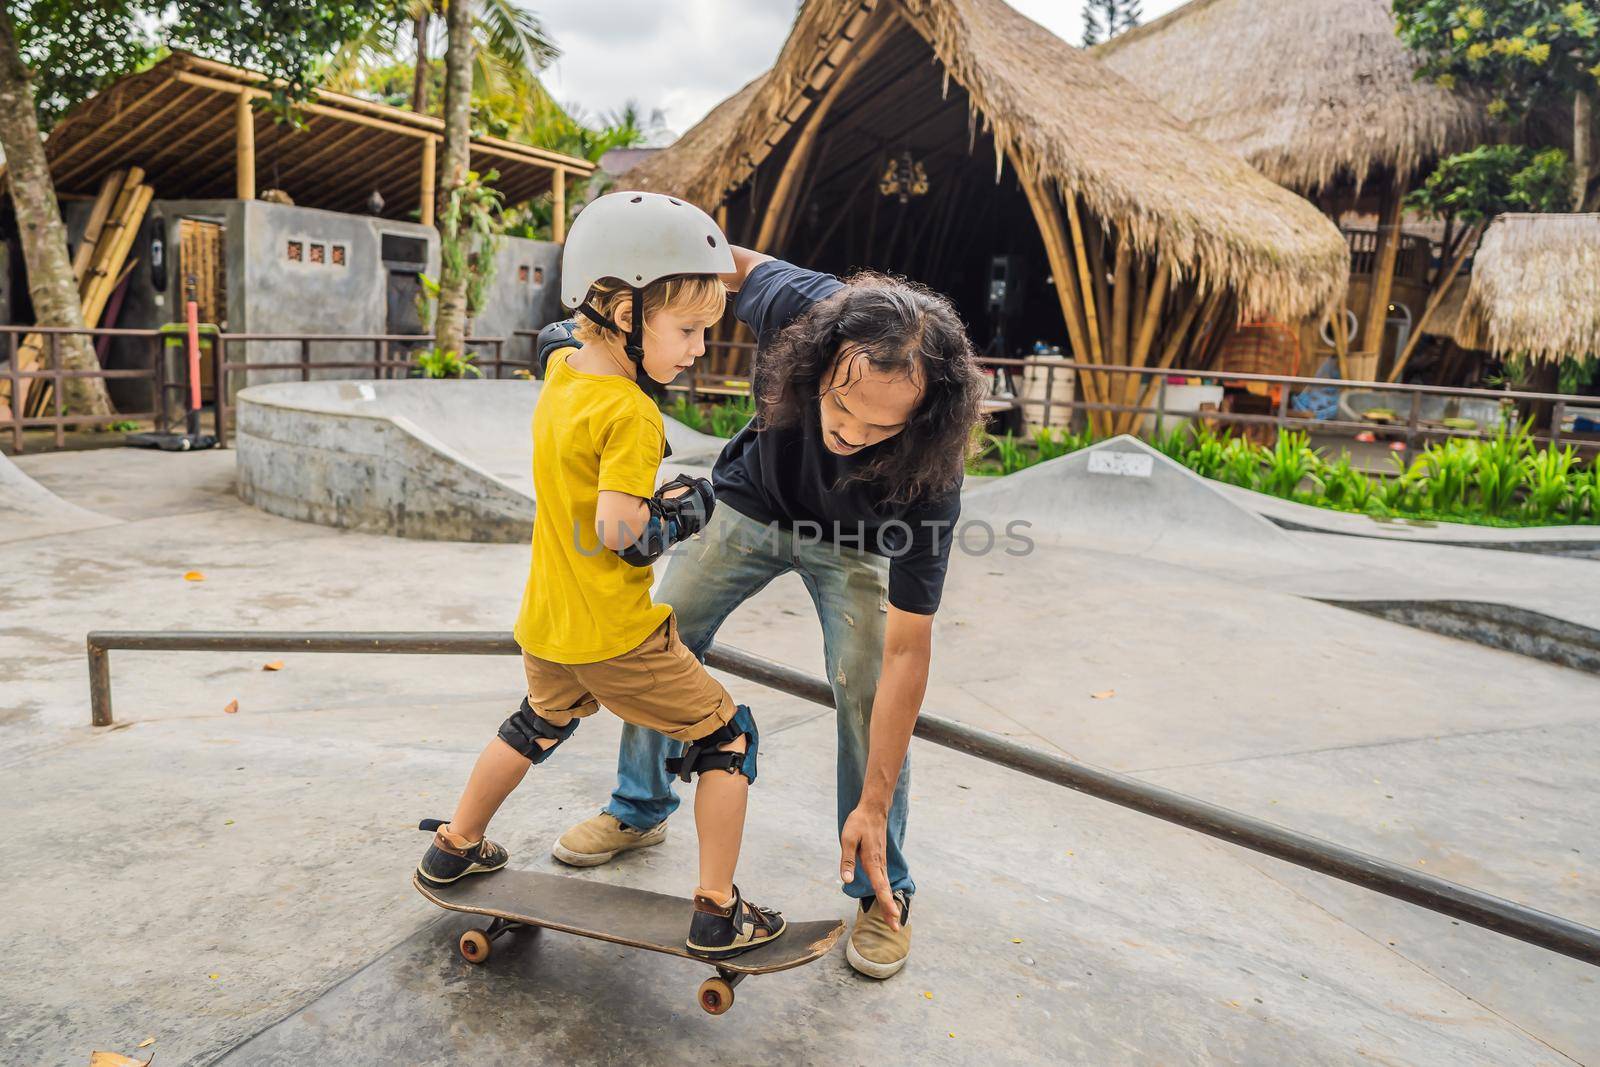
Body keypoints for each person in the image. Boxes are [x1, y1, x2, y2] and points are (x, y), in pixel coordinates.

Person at [554, 243, 986, 978]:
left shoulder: (931, 480)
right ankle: (639, 804)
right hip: (751, 503)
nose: (851, 433)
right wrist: (622, 311)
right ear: (819, 360)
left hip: (858, 544)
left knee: (867, 682)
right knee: (661, 630)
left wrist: (873, 803)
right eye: (841, 405)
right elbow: (716, 251)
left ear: (923, 419)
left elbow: (908, 654)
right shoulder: (802, 307)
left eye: (883, 427)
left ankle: (882, 884)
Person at [417, 192, 784, 960]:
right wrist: (685, 510)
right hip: (615, 637)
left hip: (547, 623)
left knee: (536, 723)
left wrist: (580, 319)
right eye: (685, 331)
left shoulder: (562, 376)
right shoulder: (632, 415)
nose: (695, 351)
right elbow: (622, 533)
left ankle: (454, 844)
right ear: (621, 309)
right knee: (726, 738)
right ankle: (718, 909)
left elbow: (557, 336)